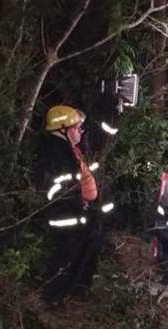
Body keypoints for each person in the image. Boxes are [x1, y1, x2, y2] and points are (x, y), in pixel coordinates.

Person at [34, 105, 115, 307]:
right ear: (63, 128)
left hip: (79, 213)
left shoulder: (70, 150)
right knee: (64, 257)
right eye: (78, 127)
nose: (81, 131)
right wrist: (79, 203)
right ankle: (53, 298)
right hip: (66, 217)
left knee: (85, 251)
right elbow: (53, 191)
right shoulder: (54, 155)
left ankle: (75, 290)